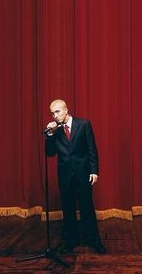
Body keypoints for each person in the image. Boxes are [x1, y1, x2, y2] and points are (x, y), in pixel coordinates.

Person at [45, 99, 106, 254]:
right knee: (68, 209)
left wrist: (94, 171)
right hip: (65, 176)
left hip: (83, 174)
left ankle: (94, 241)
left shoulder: (84, 124)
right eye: (52, 113)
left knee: (87, 208)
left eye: (57, 112)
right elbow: (50, 153)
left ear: (66, 110)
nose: (55, 116)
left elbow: (92, 149)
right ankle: (70, 241)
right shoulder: (55, 130)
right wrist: (50, 134)